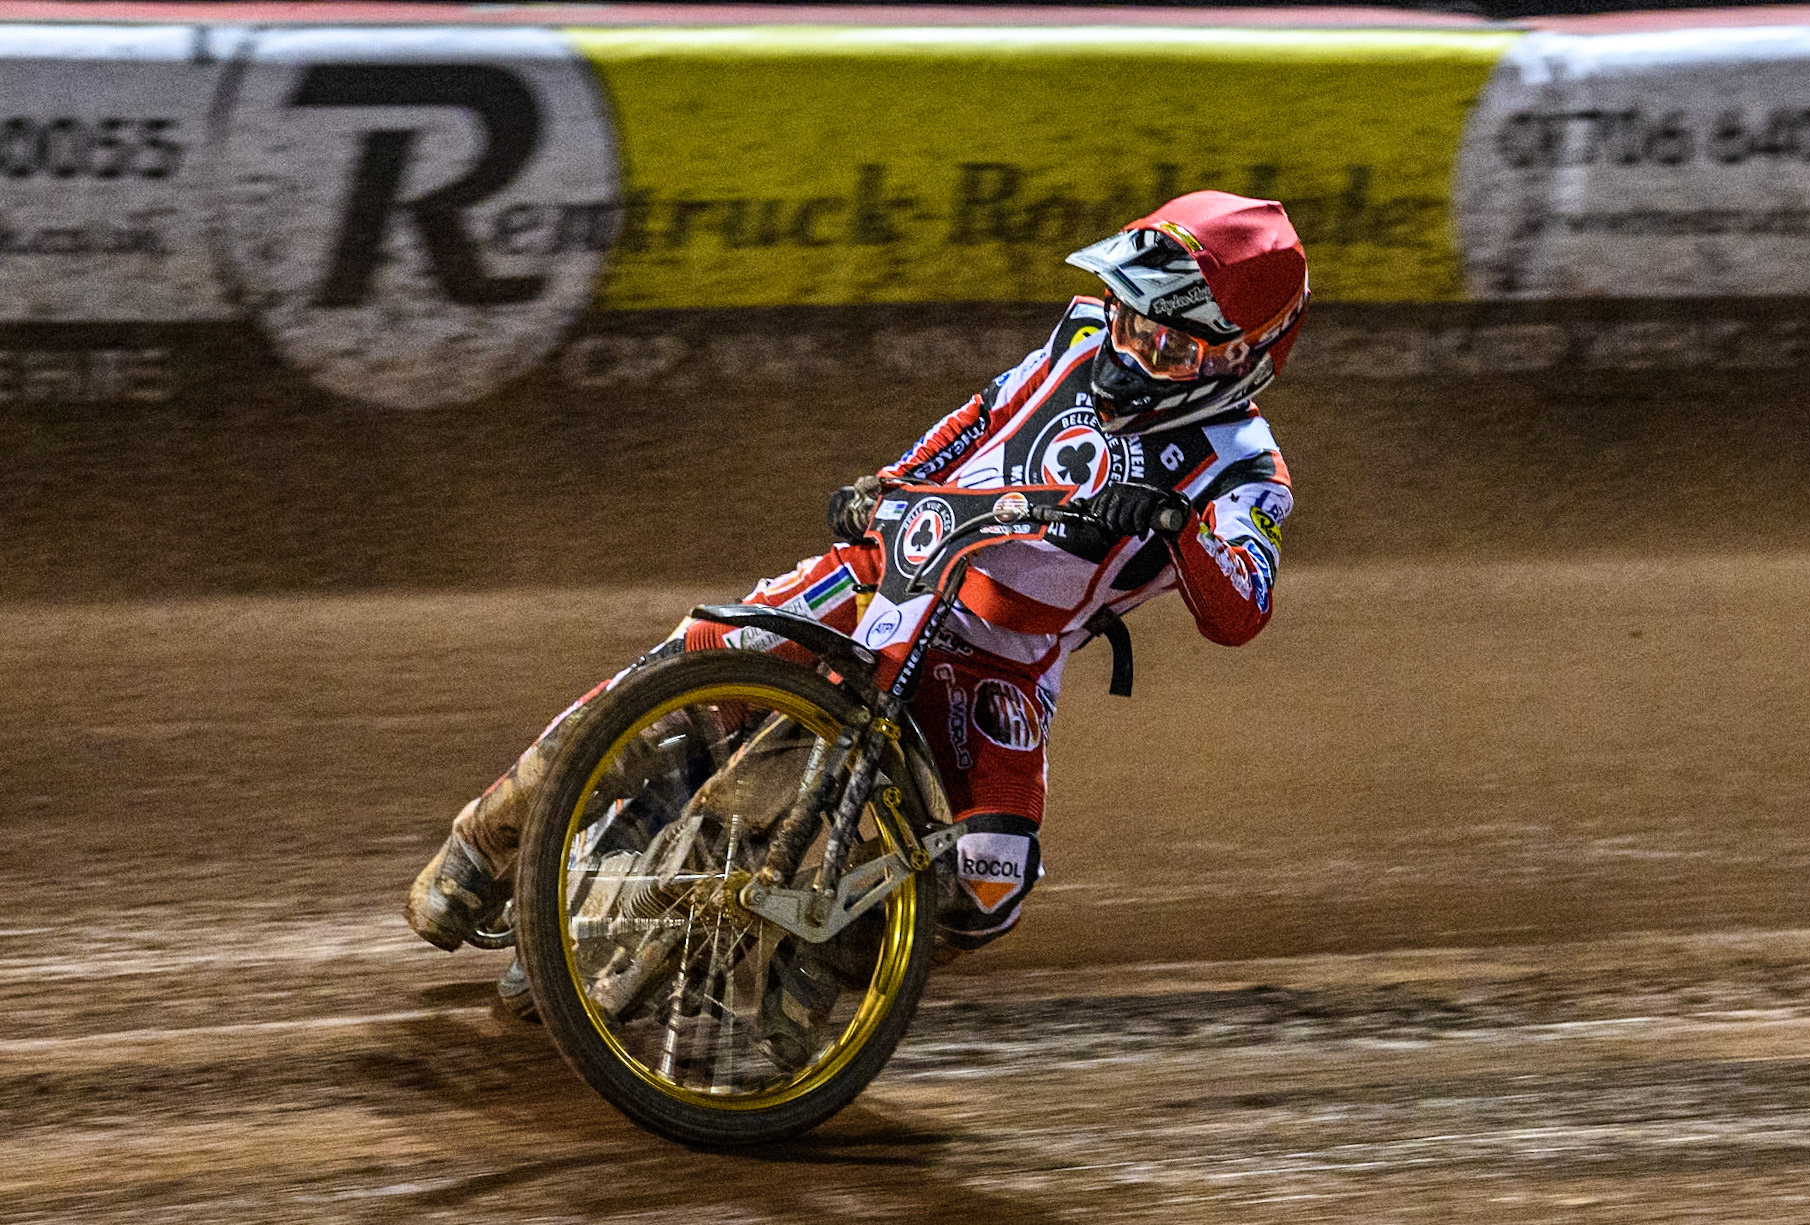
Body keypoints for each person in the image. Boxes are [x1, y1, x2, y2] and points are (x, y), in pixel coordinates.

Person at [405, 190, 1308, 1037]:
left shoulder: (1246, 471)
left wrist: (1176, 521)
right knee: (699, 654)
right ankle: (486, 840)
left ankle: (796, 975)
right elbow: (982, 415)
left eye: (1168, 346)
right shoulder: (1079, 335)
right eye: (1128, 315)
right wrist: (891, 481)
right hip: (901, 562)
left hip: (1003, 655)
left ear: (1247, 359)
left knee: (988, 885)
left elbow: (1241, 611)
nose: (1132, 348)